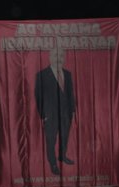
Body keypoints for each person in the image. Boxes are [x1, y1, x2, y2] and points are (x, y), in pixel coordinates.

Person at [34, 46, 75, 175]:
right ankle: (53, 163)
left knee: (64, 137)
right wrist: (43, 115)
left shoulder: (68, 74)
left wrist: (72, 111)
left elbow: (70, 94)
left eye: (61, 56)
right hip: (50, 116)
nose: (59, 58)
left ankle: (62, 156)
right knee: (51, 141)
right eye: (56, 56)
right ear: (50, 57)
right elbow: (38, 95)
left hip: (65, 115)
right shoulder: (41, 75)